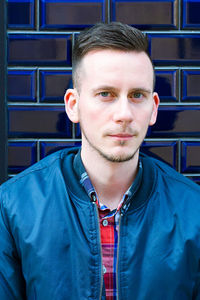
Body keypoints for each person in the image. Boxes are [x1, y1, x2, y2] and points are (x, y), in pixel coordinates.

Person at [0, 22, 200, 300]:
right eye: (106, 94)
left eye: (137, 95)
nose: (124, 114)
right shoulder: (14, 205)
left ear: (154, 109)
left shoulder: (194, 210)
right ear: (73, 105)